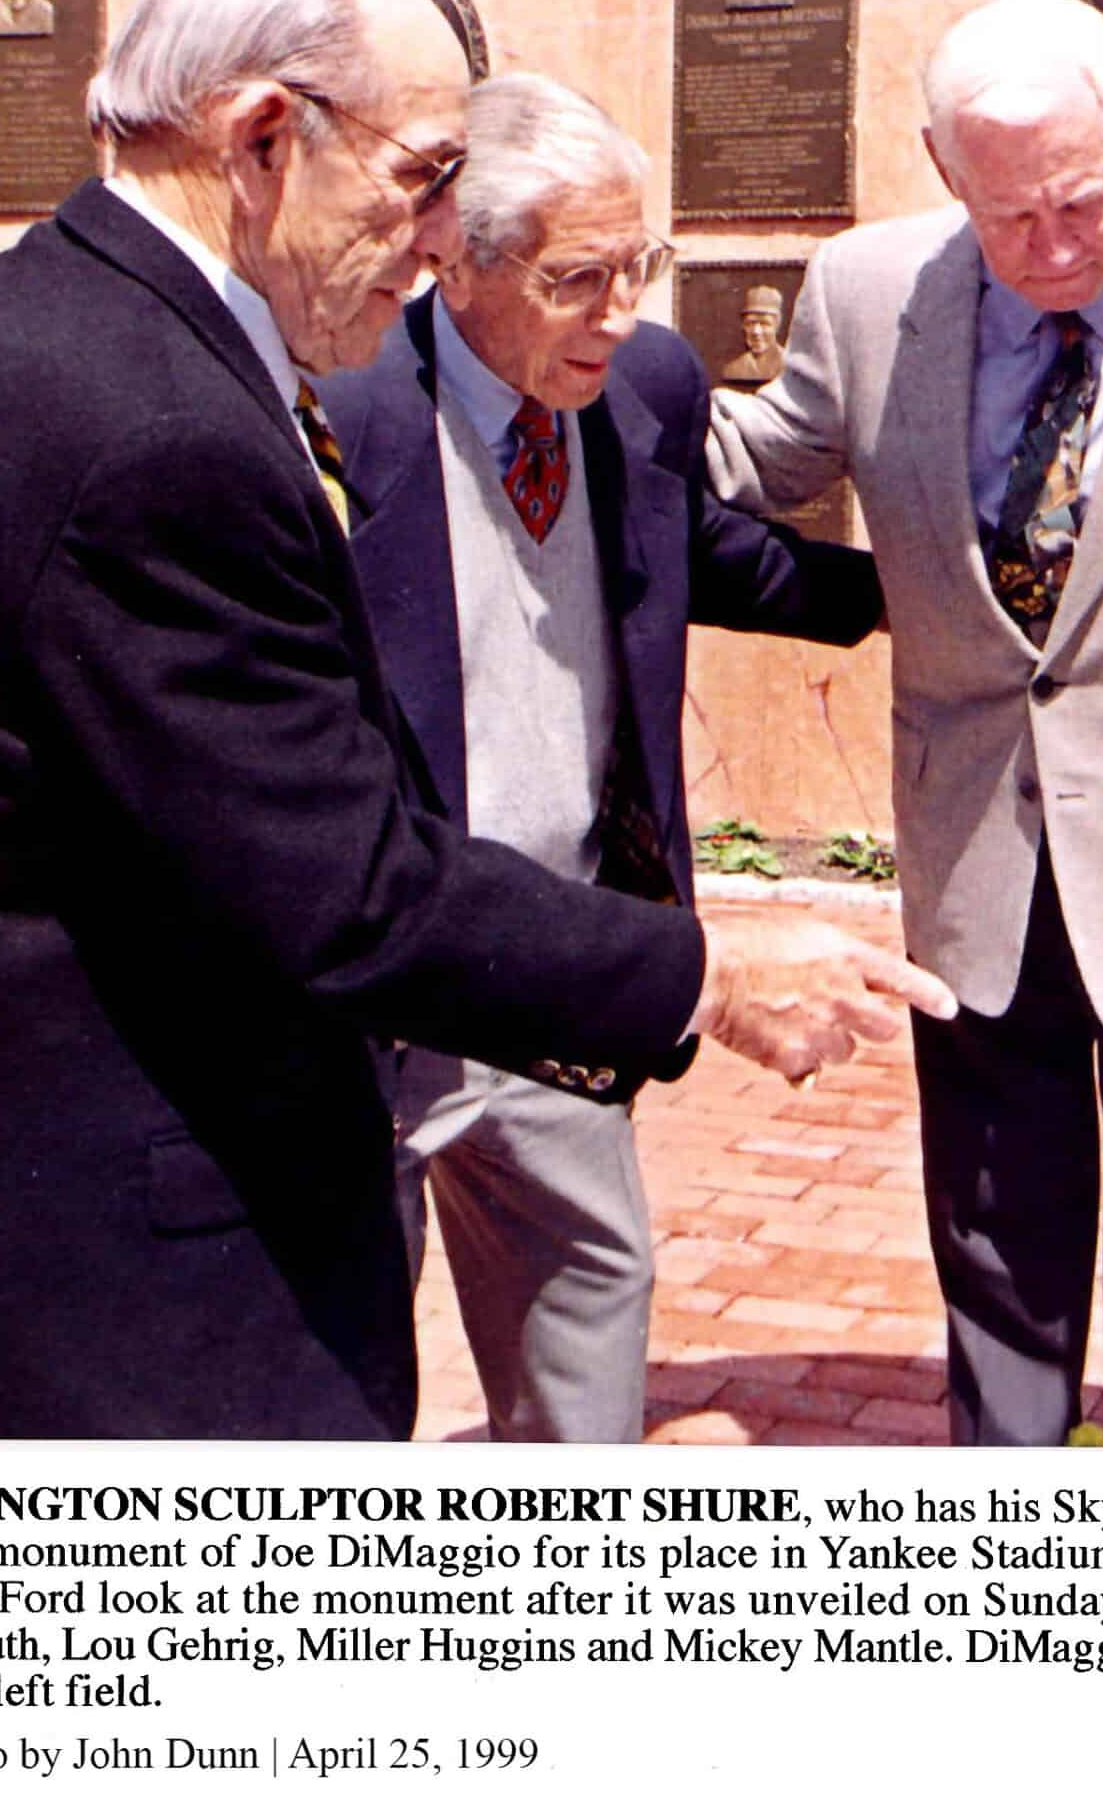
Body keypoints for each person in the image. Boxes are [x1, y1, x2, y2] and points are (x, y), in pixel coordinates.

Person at [0, 0, 949, 1440]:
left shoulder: (53, 322)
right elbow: (347, 885)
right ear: (262, 139)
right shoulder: (148, 422)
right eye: (427, 176)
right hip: (137, 1311)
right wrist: (707, 973)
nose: (443, 238)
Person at [705, 0, 1103, 1447]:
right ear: (940, 166)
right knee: (993, 1211)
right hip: (974, 839)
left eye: (1080, 201)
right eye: (1008, 216)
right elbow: (757, 463)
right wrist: (559, 371)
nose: (1054, 248)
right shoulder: (867, 290)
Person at [320, 74, 885, 1441]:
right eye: (580, 278)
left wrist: (910, 598)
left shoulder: (645, 385)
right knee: (330, 1396)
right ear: (457, 257)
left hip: (561, 972)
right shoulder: (343, 411)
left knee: (587, 1343)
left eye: (641, 265)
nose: (623, 311)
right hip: (369, 1000)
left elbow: (683, 552)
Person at [720, 284, 788, 385]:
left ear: (777, 326)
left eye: (764, 324)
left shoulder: (789, 366)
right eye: (750, 323)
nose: (756, 331)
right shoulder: (733, 369)